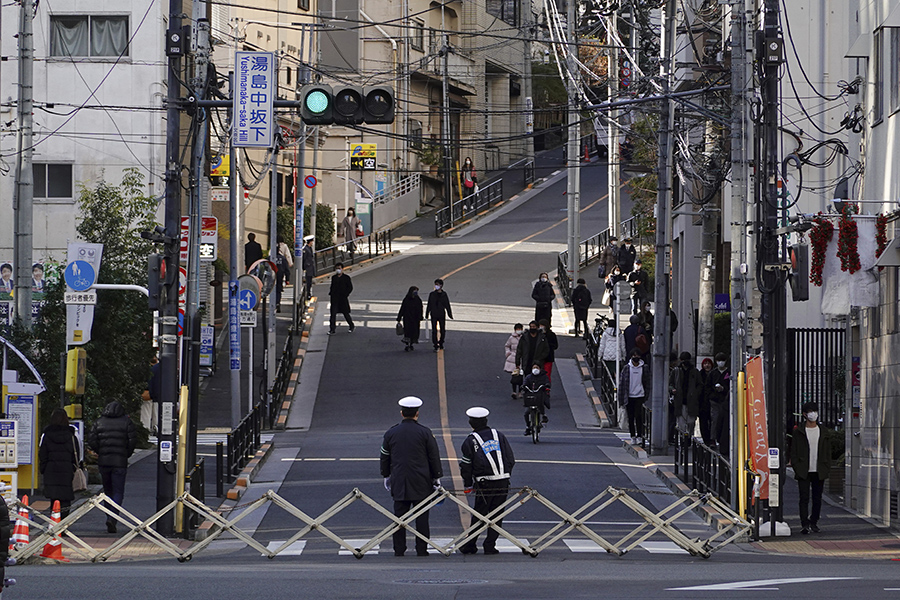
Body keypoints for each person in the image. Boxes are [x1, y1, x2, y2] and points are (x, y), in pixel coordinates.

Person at [380, 397, 443, 556]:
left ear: (402, 413)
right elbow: (433, 456)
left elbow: (385, 455)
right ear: (417, 413)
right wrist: (436, 477)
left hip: (399, 479)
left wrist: (386, 474)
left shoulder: (391, 432)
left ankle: (399, 549)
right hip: (421, 480)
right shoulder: (425, 432)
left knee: (399, 517)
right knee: (422, 516)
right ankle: (422, 549)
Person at [458, 407, 515, 555]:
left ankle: (470, 545)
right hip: (502, 481)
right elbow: (510, 458)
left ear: (471, 423)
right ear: (486, 421)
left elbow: (466, 465)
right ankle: (490, 545)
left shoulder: (470, 440)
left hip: (484, 482)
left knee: (480, 514)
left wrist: (468, 483)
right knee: (497, 514)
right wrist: (505, 474)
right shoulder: (499, 435)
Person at [88, 401, 137, 533]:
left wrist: (100, 451)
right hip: (120, 462)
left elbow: (91, 440)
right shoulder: (126, 422)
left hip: (104, 461)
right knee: (118, 491)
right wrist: (126, 454)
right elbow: (132, 441)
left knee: (107, 491)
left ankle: (109, 515)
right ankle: (113, 517)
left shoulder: (99, 422)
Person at [791, 401, 832, 535]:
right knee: (804, 497)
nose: (813, 414)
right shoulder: (799, 432)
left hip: (819, 469)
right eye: (810, 412)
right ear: (804, 414)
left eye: (815, 411)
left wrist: (826, 466)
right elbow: (794, 451)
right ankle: (804, 523)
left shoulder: (823, 431)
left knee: (817, 498)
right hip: (804, 469)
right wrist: (796, 466)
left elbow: (828, 451)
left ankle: (814, 521)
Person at [38, 408, 79, 520]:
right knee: (66, 500)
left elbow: (42, 454)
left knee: (54, 499)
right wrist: (72, 468)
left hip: (51, 471)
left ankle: (54, 523)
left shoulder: (47, 436)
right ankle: (63, 525)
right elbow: (76, 455)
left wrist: (44, 469)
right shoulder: (71, 436)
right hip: (66, 471)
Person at [618, 350, 651, 445]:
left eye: (637, 355)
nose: (635, 357)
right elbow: (622, 384)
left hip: (640, 395)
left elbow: (647, 382)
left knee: (639, 416)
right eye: (634, 355)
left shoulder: (644, 368)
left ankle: (640, 435)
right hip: (629, 396)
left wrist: (646, 395)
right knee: (631, 417)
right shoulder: (627, 368)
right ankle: (632, 436)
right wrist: (621, 399)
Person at [669, 351, 702, 437]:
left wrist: (695, 393)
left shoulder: (695, 371)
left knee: (691, 422)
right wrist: (672, 390)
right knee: (681, 423)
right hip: (680, 400)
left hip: (691, 401)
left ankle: (689, 437)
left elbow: (700, 385)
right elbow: (670, 384)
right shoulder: (676, 371)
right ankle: (683, 440)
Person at [708, 352, 730, 452]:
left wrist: (723, 389)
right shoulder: (713, 373)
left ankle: (723, 439)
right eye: (718, 361)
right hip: (714, 400)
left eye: (722, 360)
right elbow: (708, 387)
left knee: (725, 421)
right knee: (715, 419)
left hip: (726, 400)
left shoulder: (729, 373)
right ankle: (713, 439)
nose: (720, 362)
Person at [522, 362, 550, 435]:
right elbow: (525, 383)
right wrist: (524, 387)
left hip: (540, 395)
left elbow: (547, 382)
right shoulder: (529, 377)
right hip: (531, 396)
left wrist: (546, 386)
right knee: (526, 412)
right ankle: (528, 426)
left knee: (541, 405)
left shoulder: (544, 376)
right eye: (534, 368)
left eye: (537, 368)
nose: (535, 369)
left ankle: (543, 416)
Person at [425, 278, 453, 351]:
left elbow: (447, 305)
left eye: (438, 284)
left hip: (441, 314)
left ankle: (441, 342)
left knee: (442, 330)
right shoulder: (432, 294)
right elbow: (429, 304)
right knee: (434, 330)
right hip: (433, 314)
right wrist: (427, 313)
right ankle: (435, 344)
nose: (436, 286)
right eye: (435, 284)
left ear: (441, 286)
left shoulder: (444, 294)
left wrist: (450, 314)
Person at [327, 262, 354, 335]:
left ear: (342, 269)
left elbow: (350, 287)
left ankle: (351, 325)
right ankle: (332, 329)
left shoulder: (346, 278)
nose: (338, 270)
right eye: (336, 269)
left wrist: (345, 294)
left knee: (346, 313)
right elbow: (332, 287)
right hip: (335, 298)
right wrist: (331, 293)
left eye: (339, 268)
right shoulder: (334, 278)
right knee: (333, 314)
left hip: (343, 298)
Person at [397, 286, 424, 352]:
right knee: (408, 331)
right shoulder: (406, 299)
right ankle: (408, 343)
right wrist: (399, 317)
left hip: (415, 319)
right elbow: (402, 308)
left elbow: (420, 309)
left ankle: (411, 343)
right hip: (408, 318)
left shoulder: (418, 300)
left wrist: (420, 316)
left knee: (414, 331)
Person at [141, 353, 161, 434]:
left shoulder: (150, 368)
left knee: (146, 412)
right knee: (156, 412)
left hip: (147, 392)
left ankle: (145, 429)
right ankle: (156, 427)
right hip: (158, 394)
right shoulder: (163, 368)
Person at [504, 324, 524, 399]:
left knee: (521, 377)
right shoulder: (511, 338)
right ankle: (514, 391)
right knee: (514, 376)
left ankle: (520, 392)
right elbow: (507, 346)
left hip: (522, 358)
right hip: (513, 358)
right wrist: (508, 353)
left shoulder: (524, 337)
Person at [698, 357, 715, 445]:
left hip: (713, 402)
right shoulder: (699, 375)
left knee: (713, 422)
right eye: (705, 364)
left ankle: (712, 439)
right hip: (702, 403)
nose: (707, 365)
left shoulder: (714, 374)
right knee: (703, 422)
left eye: (708, 363)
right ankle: (706, 439)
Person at [275, 235, 294, 312]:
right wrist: (290, 263)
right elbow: (288, 255)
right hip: (281, 268)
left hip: (274, 271)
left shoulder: (273, 244)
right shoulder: (284, 246)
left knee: (273, 287)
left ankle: (274, 303)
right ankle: (277, 303)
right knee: (279, 287)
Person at [539, 319, 558, 384]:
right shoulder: (538, 335)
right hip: (538, 358)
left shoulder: (551, 335)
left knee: (547, 373)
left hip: (548, 357)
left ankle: (546, 388)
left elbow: (555, 346)